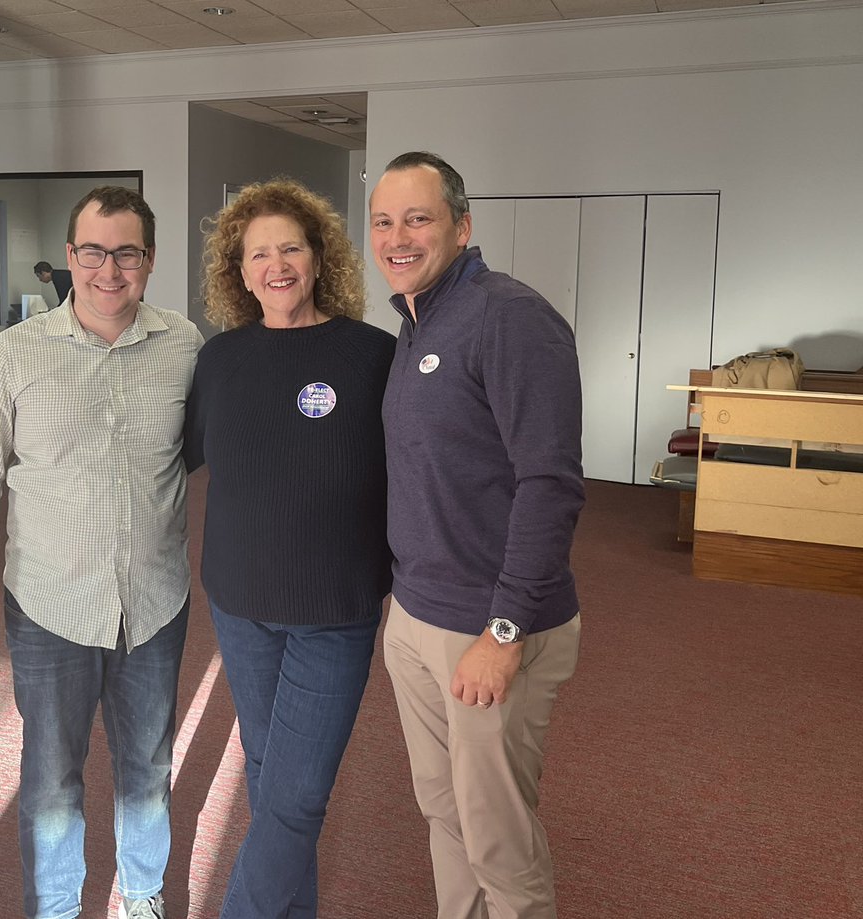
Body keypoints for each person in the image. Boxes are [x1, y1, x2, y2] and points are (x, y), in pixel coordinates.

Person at [0, 186, 203, 919]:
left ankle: (142, 895)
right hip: (49, 602)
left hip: (154, 600)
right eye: (93, 252)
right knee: (52, 776)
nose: (108, 270)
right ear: (69, 256)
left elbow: (210, 453)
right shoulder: (13, 353)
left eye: (127, 254)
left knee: (147, 766)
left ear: (150, 260)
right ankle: (56, 907)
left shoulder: (184, 346)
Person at [370, 151, 584, 919]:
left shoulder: (509, 317)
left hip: (489, 627)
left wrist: (504, 629)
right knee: (445, 814)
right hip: (417, 615)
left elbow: (550, 482)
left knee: (498, 839)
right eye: (383, 221)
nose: (397, 237)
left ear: (462, 226)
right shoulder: (416, 322)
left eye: (417, 218)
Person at [185, 179, 395, 919]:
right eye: (258, 255)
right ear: (239, 274)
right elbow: (179, 457)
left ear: (319, 258)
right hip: (241, 603)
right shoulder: (218, 360)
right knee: (270, 776)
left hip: (333, 608)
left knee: (296, 795)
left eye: (291, 249)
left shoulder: (373, 356)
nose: (276, 266)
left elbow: (415, 471)